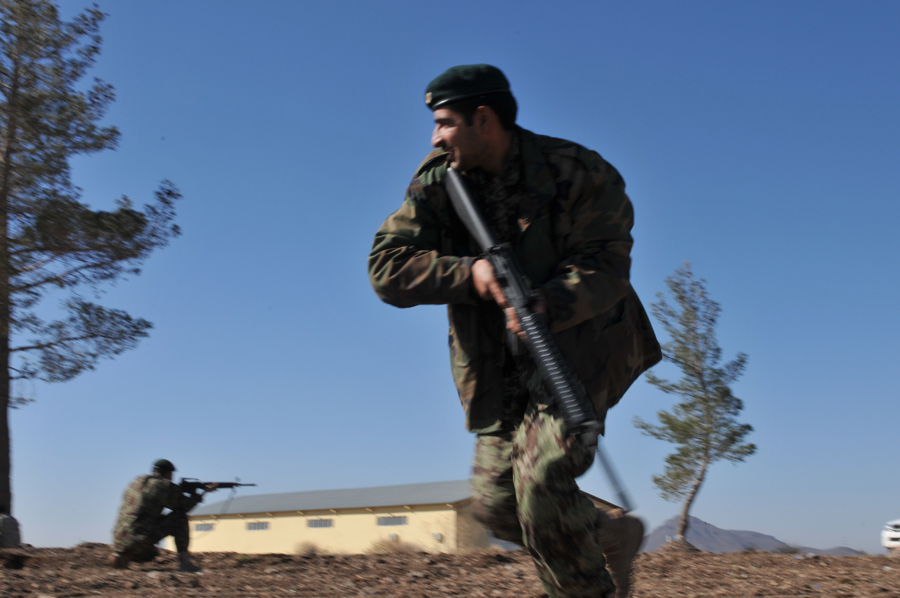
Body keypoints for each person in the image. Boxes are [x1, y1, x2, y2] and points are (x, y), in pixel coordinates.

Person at [368, 65, 661, 598]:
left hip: (583, 348)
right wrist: (471, 274)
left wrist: (548, 302)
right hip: (497, 365)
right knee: (499, 505)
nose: (435, 136)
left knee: (543, 488)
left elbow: (608, 266)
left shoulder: (579, 172)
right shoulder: (439, 180)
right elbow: (386, 268)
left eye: (444, 123)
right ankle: (606, 532)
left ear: (484, 119)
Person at [110, 459, 216, 572]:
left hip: (119, 539)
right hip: (138, 540)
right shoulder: (163, 485)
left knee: (147, 534)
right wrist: (203, 492)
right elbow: (186, 506)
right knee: (180, 516)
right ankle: (185, 562)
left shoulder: (137, 481)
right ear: (168, 473)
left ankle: (122, 557)